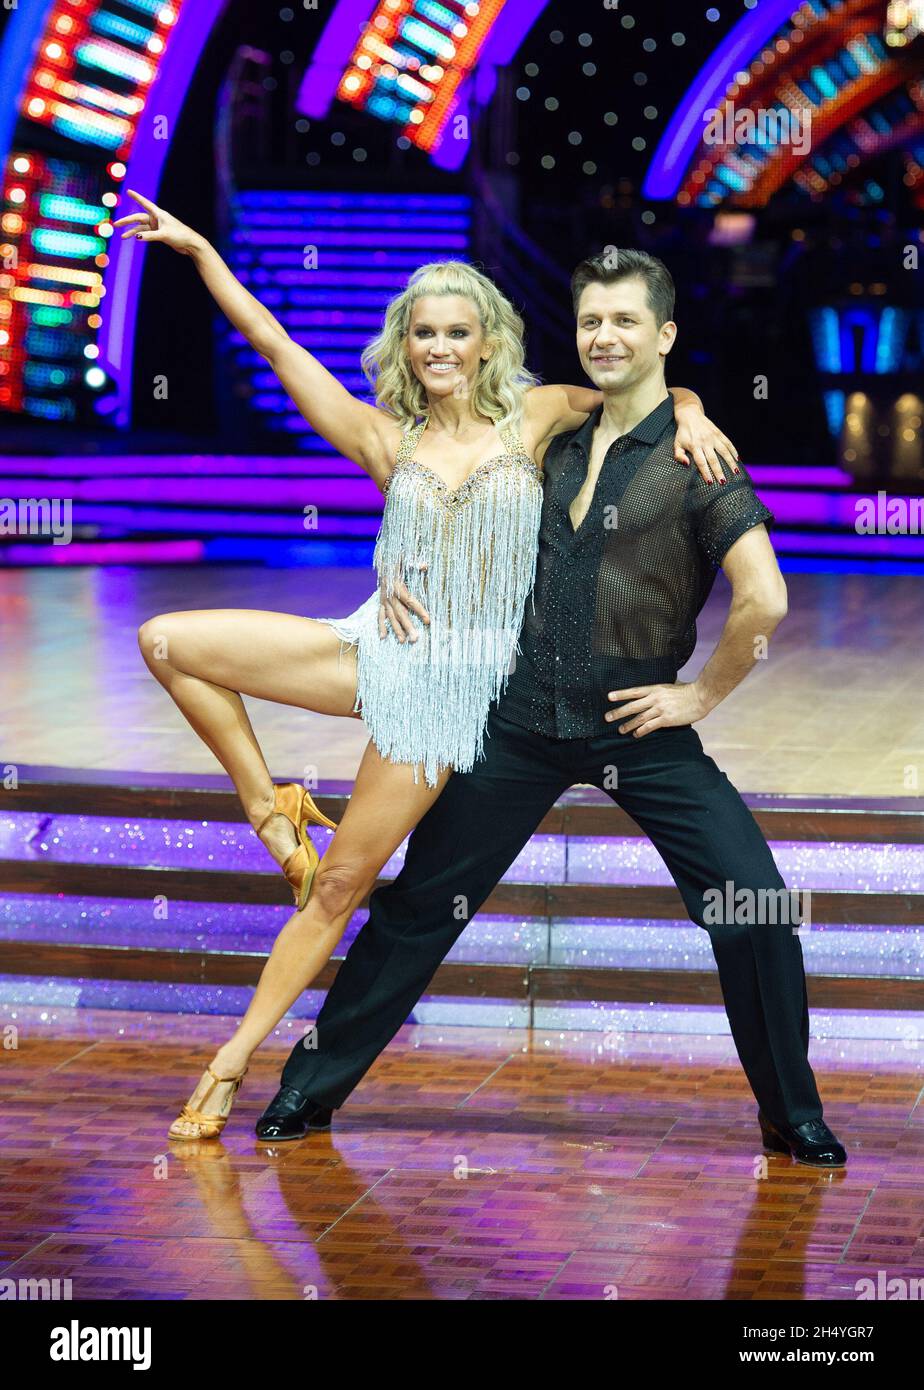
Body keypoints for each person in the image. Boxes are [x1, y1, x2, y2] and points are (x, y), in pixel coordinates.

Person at [116, 191, 735, 1139]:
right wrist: (199, 251)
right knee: (168, 640)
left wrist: (689, 409)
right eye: (422, 334)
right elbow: (278, 347)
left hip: (450, 696)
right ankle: (268, 809)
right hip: (372, 646)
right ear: (404, 345)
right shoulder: (384, 437)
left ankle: (231, 1063)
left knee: (340, 889)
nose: (438, 347)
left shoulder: (534, 416)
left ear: (487, 339)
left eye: (456, 331)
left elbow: (638, 387)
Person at [258, 249, 847, 1170]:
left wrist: (698, 694)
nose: (605, 337)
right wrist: (398, 568)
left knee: (758, 905)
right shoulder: (543, 436)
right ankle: (307, 1087)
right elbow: (448, 506)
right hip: (520, 717)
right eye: (590, 323)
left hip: (638, 728)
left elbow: (763, 598)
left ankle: (791, 1114)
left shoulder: (700, 459)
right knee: (418, 906)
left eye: (624, 322)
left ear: (665, 336)